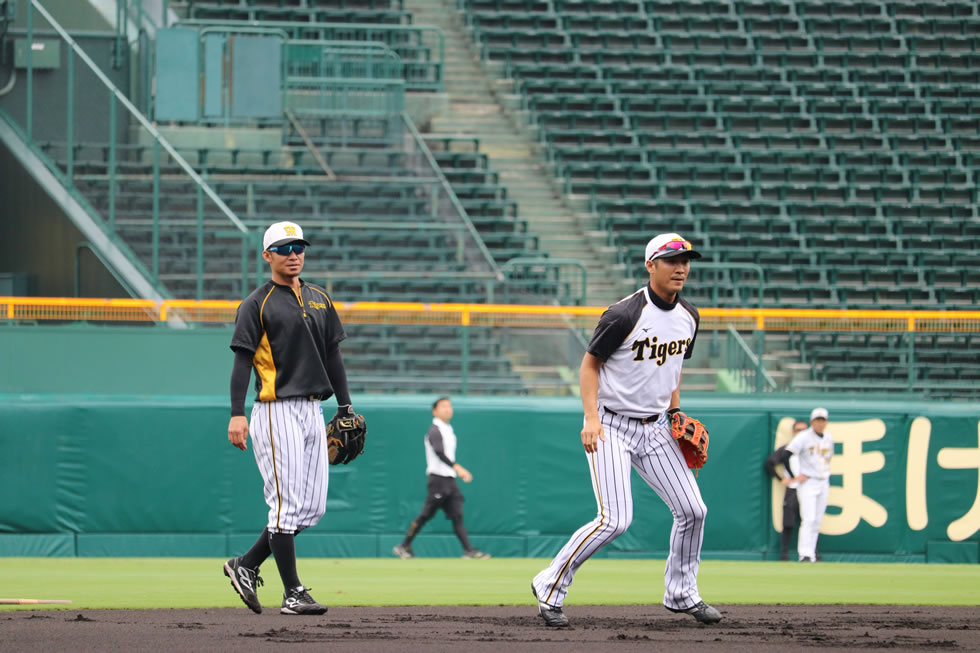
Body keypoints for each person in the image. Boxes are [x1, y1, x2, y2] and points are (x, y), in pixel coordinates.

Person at [531, 232, 721, 628]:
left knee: (694, 510)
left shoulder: (689, 316)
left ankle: (682, 594)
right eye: (671, 260)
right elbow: (589, 366)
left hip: (657, 428)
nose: (681, 267)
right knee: (614, 520)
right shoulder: (623, 314)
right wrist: (591, 418)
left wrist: (676, 412)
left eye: (685, 260)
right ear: (650, 265)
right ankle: (549, 585)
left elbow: (673, 369)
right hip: (611, 425)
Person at [223, 221, 357, 615]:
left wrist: (345, 407)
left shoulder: (319, 298)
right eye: (283, 249)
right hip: (275, 409)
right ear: (267, 256)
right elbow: (242, 362)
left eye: (298, 247)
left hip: (313, 409)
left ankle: (246, 564)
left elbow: (333, 355)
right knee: (285, 505)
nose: (293, 254)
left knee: (311, 509)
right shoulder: (256, 303)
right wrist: (236, 414)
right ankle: (293, 592)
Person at [392, 397, 491, 560]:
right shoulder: (434, 430)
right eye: (443, 406)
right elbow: (439, 451)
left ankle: (469, 550)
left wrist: (454, 470)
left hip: (450, 480)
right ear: (435, 411)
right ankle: (403, 546)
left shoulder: (448, 429)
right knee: (425, 515)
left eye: (449, 406)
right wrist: (457, 467)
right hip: (437, 480)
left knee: (457, 516)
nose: (448, 409)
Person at [775, 407, 834, 563]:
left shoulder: (829, 438)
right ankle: (805, 554)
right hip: (808, 481)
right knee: (808, 518)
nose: (820, 423)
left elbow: (828, 459)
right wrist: (794, 476)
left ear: (826, 422)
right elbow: (786, 455)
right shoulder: (803, 437)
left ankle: (812, 554)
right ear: (812, 422)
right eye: (817, 420)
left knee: (817, 520)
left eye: (822, 420)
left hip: (823, 481)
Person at [764, 419, 808, 561]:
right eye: (798, 430)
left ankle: (812, 554)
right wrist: (782, 479)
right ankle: (784, 555)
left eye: (804, 430)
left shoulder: (811, 450)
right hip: (792, 490)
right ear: (793, 432)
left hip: (808, 489)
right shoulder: (787, 449)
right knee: (788, 522)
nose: (801, 433)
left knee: (810, 522)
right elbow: (769, 463)